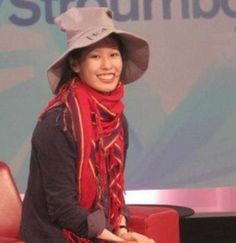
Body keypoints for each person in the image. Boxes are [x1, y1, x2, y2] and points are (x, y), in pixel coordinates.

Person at [20, 7, 153, 243]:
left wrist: (122, 230)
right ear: (75, 64)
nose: (107, 66)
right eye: (95, 56)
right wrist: (114, 239)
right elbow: (62, 208)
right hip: (54, 237)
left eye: (113, 55)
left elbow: (113, 195)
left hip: (98, 234)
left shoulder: (117, 119)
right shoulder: (58, 123)